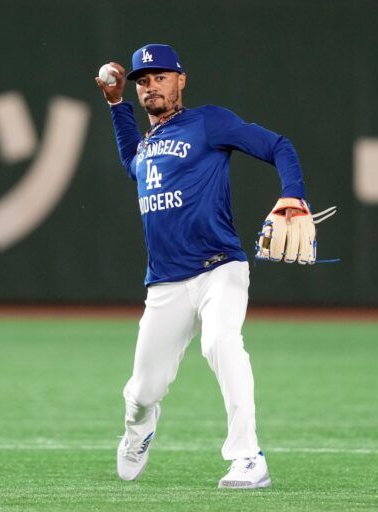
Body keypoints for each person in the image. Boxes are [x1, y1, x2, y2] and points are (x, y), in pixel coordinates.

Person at [95, 43, 310, 489]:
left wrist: (293, 192)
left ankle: (248, 458)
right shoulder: (147, 146)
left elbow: (278, 145)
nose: (151, 86)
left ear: (181, 79)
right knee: (142, 392)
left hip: (220, 268)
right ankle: (138, 430)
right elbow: (132, 164)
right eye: (143, 81)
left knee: (220, 342)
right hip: (165, 284)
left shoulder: (209, 122)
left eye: (160, 76)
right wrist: (116, 106)